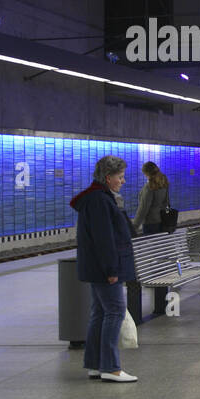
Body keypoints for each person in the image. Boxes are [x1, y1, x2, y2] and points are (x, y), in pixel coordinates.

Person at [71, 155, 138, 383]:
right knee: (115, 311)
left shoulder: (99, 198)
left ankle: (95, 364)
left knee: (100, 313)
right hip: (105, 268)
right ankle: (110, 367)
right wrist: (111, 270)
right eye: (120, 177)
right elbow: (104, 239)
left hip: (98, 267)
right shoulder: (99, 200)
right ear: (108, 178)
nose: (123, 181)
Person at [130, 161, 171, 235]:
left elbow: (143, 208)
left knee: (151, 241)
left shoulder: (149, 187)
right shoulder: (163, 183)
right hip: (162, 220)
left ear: (147, 173)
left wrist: (134, 227)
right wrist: (167, 216)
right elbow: (167, 203)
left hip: (150, 223)